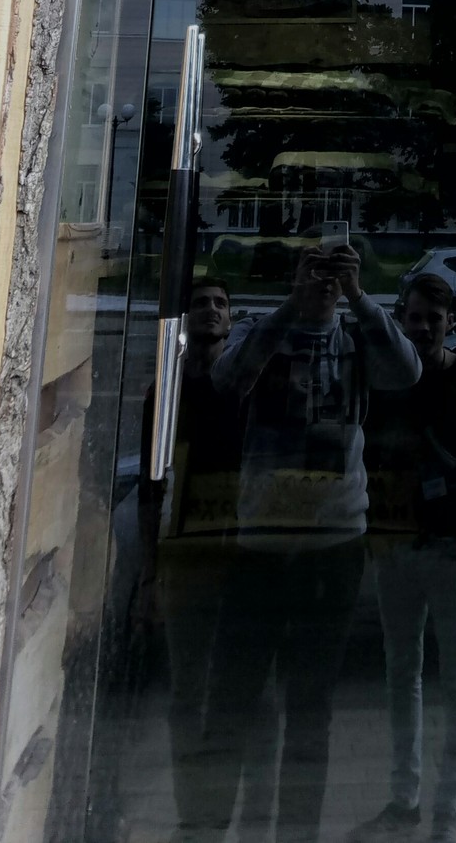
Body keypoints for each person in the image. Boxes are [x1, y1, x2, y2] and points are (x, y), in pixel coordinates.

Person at [208, 242, 421, 843]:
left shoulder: (358, 337)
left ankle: (296, 832)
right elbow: (226, 379)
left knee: (311, 706)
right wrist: (290, 306)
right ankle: (209, 825)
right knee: (234, 695)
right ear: (295, 277)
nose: (324, 281)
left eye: (335, 270)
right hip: (265, 538)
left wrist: (361, 297)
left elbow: (408, 371)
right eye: (315, 270)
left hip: (334, 539)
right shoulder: (263, 329)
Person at [353, 273, 456, 843]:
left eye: (433, 318)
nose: (423, 327)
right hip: (397, 543)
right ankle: (406, 799)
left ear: (451, 322)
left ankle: (446, 808)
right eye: (414, 317)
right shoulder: (388, 377)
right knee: (402, 674)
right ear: (401, 319)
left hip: (454, 547)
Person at [137, 278, 276, 843]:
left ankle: (257, 818)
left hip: (244, 553)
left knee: (254, 695)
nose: (212, 312)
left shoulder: (248, 386)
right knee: (188, 692)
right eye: (201, 303)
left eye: (221, 304)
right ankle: (194, 816)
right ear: (185, 320)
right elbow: (152, 485)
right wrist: (151, 572)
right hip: (189, 554)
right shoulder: (165, 394)